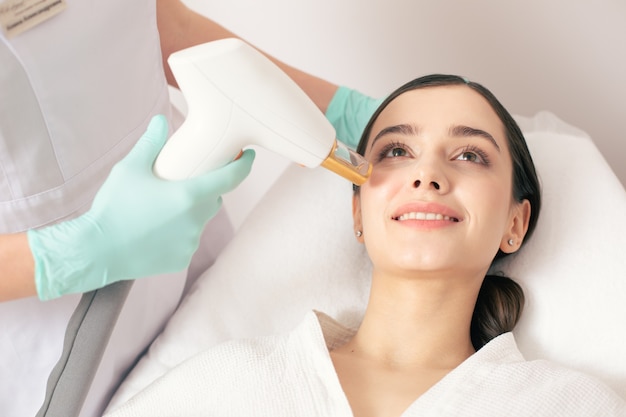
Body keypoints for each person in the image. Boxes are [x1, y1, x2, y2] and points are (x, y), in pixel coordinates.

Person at [103, 74, 626, 417]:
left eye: (469, 155)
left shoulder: (567, 405)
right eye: (397, 150)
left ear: (516, 221)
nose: (427, 173)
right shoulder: (226, 383)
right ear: (357, 210)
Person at [0, 0, 379, 416]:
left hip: (182, 208)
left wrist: (342, 108)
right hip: (39, 311)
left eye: (465, 154)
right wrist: (63, 256)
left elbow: (162, 21)